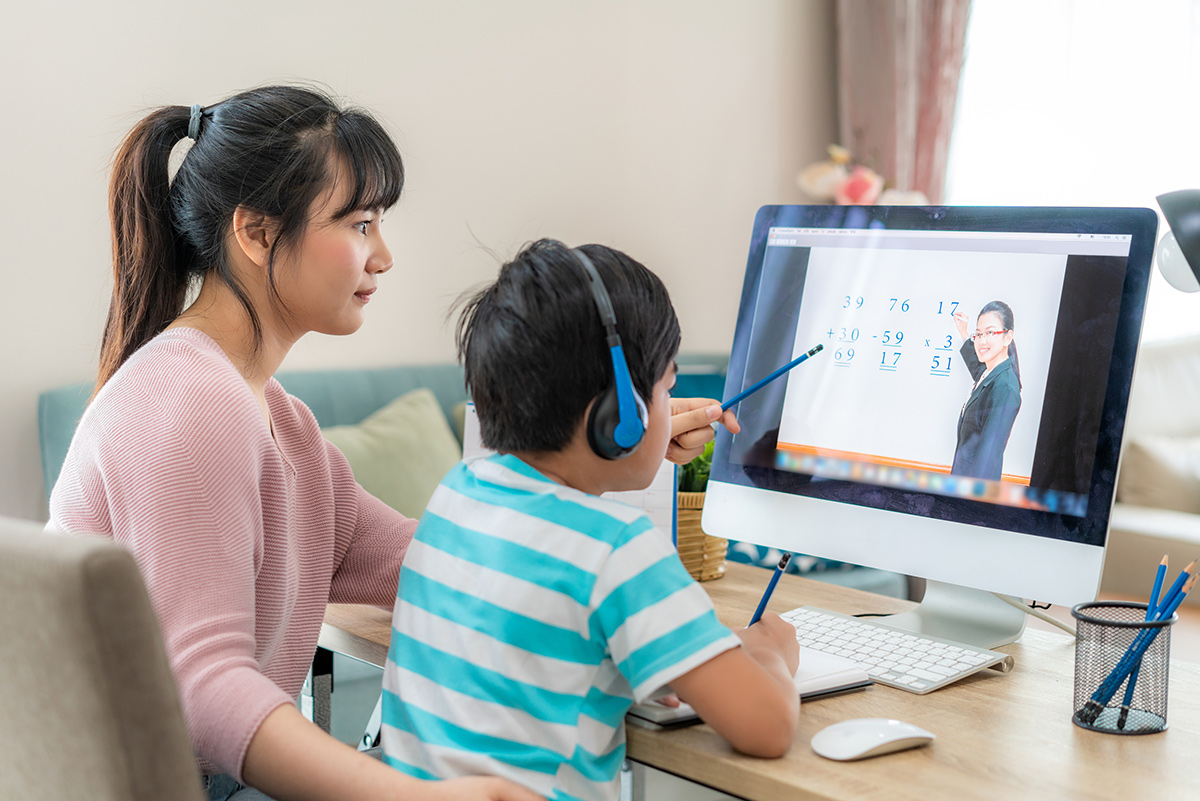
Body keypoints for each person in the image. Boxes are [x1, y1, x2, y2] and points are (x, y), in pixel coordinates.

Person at [46, 86, 731, 801]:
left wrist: (616, 446)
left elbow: (448, 562)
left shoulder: (278, 421)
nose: (385, 256)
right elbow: (205, 690)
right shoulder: (191, 403)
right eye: (362, 223)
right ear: (255, 234)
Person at [380, 239, 800, 801]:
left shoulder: (456, 493)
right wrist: (769, 650)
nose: (671, 405)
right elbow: (767, 727)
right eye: (668, 387)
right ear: (619, 416)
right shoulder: (619, 551)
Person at [950, 301, 1022, 480]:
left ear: (1007, 337)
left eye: (990, 332)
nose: (982, 340)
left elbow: (988, 459)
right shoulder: (990, 373)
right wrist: (964, 332)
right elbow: (977, 367)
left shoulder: (1004, 387)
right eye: (979, 334)